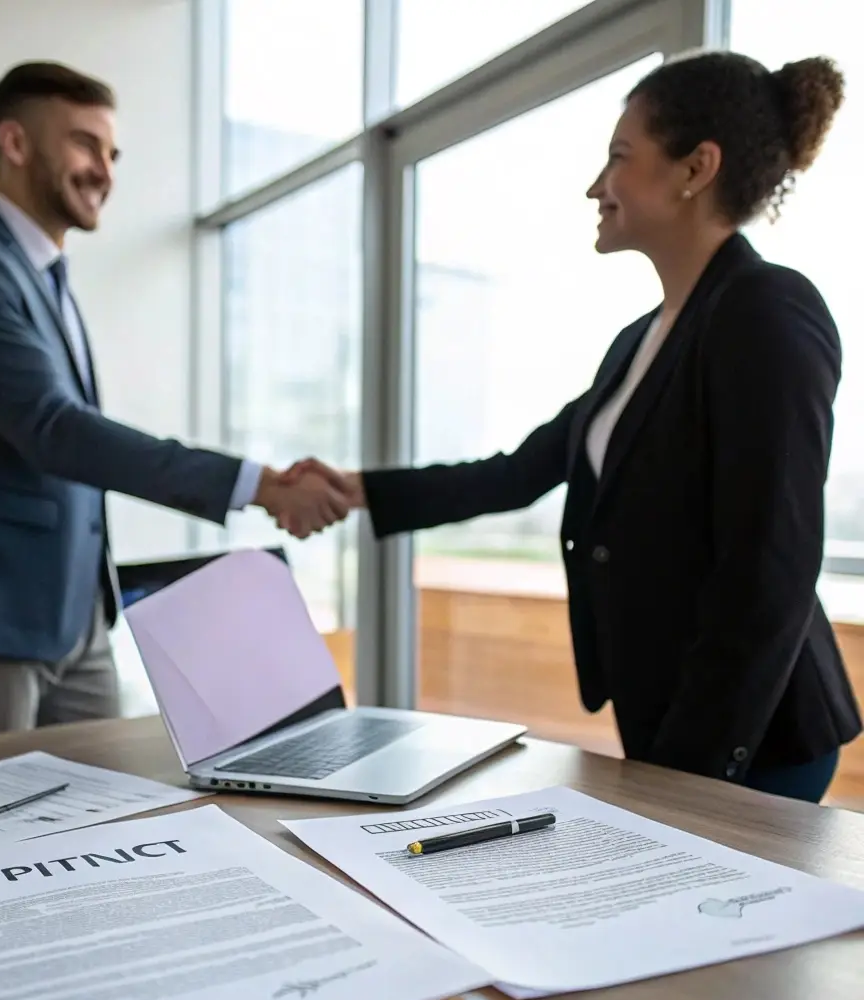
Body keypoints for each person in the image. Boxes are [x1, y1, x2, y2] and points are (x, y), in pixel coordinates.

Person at [287, 50, 862, 803]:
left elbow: (769, 573)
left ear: (696, 169)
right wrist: (353, 488)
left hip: (752, 739)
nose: (597, 186)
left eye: (620, 157)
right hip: (664, 714)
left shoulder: (767, 310)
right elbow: (516, 472)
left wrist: (690, 772)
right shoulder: (642, 340)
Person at [0, 61, 347, 743]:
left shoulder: (44, 274)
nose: (105, 168)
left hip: (75, 621)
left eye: (112, 151)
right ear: (15, 144)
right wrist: (257, 485)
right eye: (83, 143)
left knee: (113, 818)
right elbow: (54, 431)